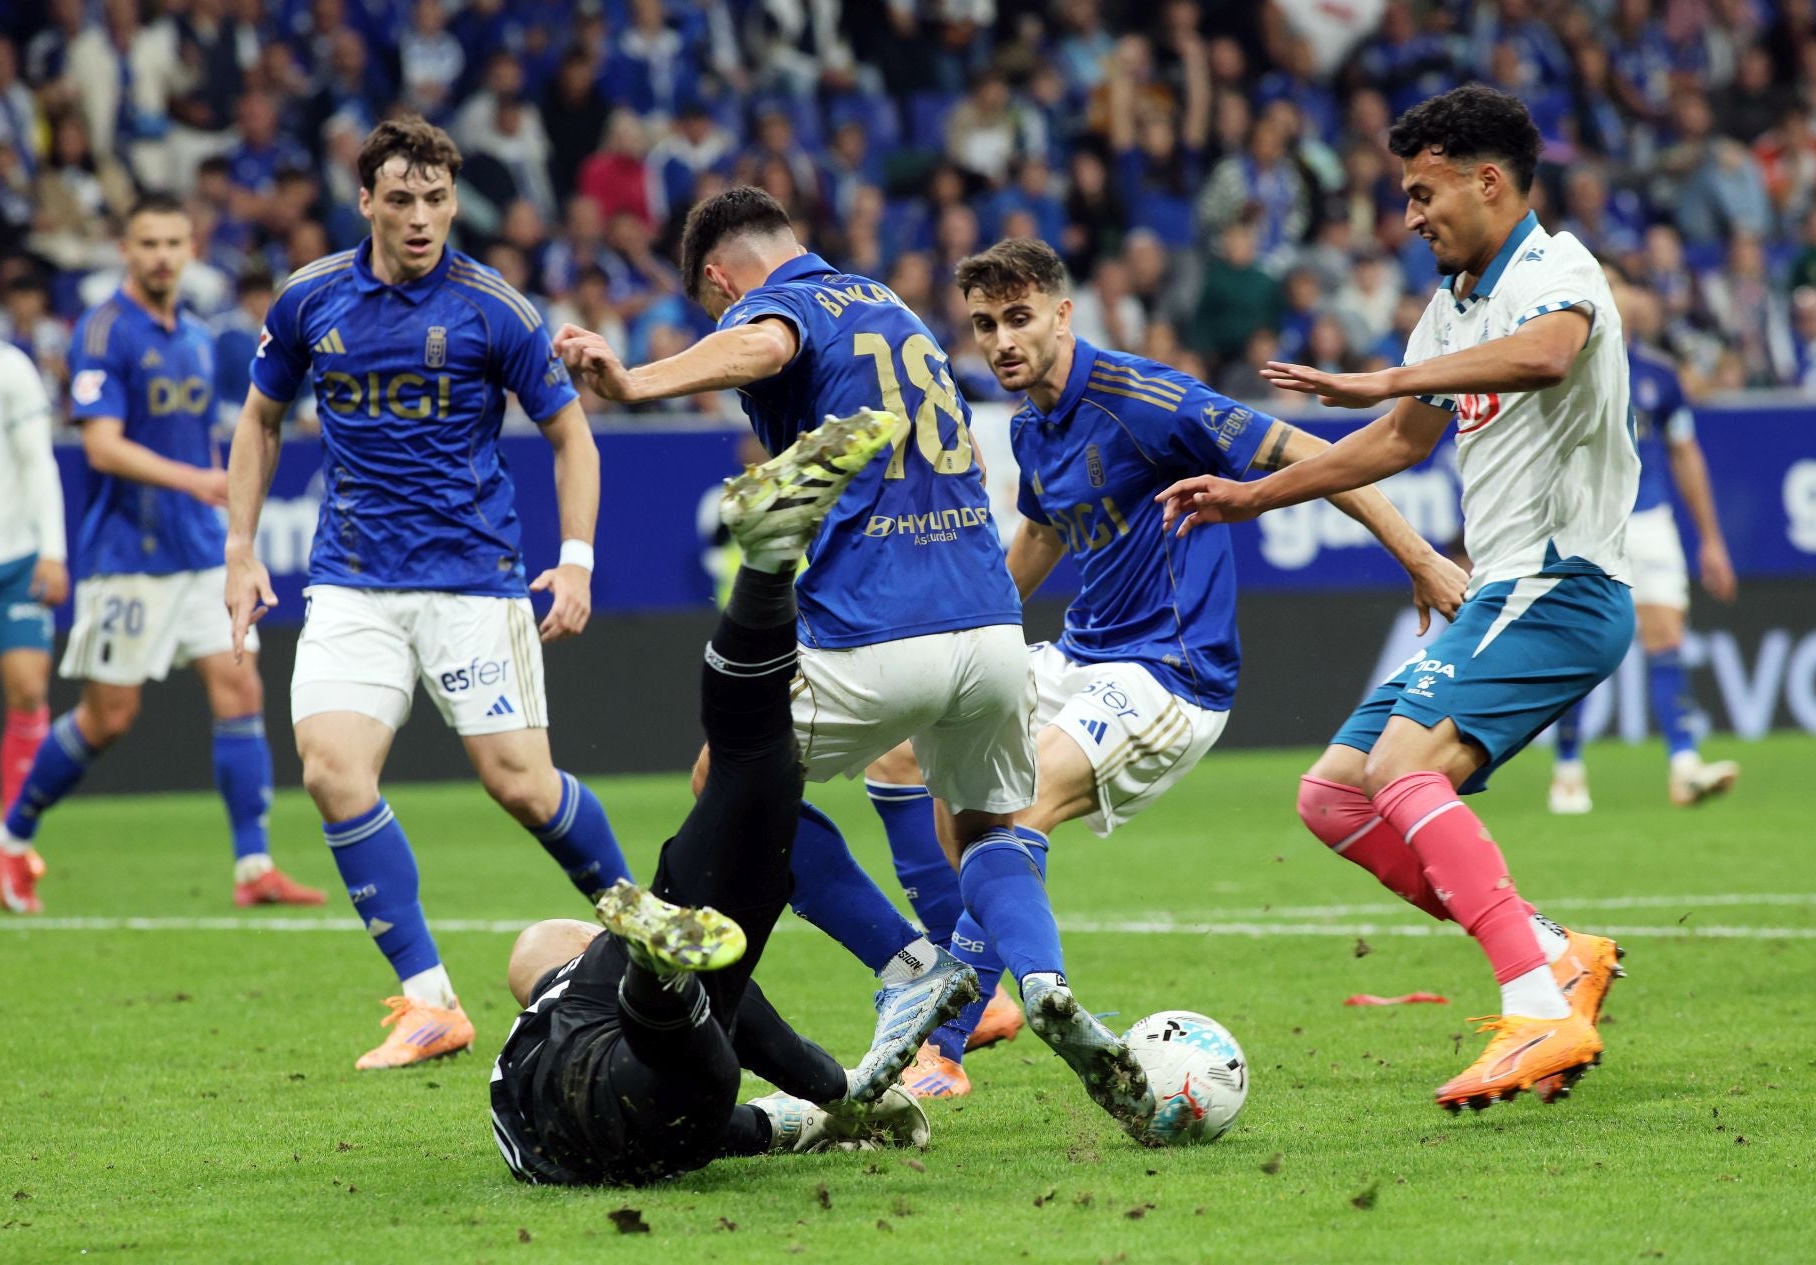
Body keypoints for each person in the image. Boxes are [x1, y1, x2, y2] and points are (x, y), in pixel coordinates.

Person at [553, 187, 1153, 1136]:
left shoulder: (773, 307)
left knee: (734, 783)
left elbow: (764, 346)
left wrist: (634, 382)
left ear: (721, 277)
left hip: (877, 622)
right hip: (992, 625)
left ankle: (904, 963)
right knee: (992, 829)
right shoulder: (885, 299)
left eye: (719, 304)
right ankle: (1040, 985)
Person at [892, 236, 1468, 1098]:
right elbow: (1045, 532)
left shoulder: (1146, 398)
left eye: (1018, 318)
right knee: (922, 760)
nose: (1002, 340)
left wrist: (1418, 557)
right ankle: (979, 988)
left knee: (1015, 806)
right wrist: (976, 632)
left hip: (1169, 670)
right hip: (1083, 651)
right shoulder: (1030, 425)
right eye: (984, 325)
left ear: (1061, 313)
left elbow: (1315, 456)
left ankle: (941, 1044)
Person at [1158, 85, 1635, 1112]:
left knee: (1405, 766)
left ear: (1488, 179)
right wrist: (1255, 493)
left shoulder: (1557, 270)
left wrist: (1386, 377)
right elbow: (1402, 440)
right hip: (1503, 589)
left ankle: (1538, 1007)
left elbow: (1550, 356)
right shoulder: (1451, 307)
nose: (1410, 216)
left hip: (1561, 579)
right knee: (1334, 794)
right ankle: (1553, 951)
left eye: (1423, 193)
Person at [222, 119, 633, 1071]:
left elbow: (573, 437)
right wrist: (239, 550)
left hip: (473, 581)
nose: (420, 218)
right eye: (400, 199)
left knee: (521, 785)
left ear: (455, 199)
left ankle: (646, 927)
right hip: (353, 579)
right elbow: (259, 420)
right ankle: (428, 1000)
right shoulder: (310, 300)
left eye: (437, 199)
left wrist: (575, 557)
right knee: (331, 768)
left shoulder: (497, 308)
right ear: (364, 199)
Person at [492, 410, 933, 1186]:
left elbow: (752, 1096)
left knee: (751, 778)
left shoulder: (581, 987)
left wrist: (829, 1101)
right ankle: (659, 979)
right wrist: (837, 1097)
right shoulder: (566, 985)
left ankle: (662, 981)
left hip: (577, 1123)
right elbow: (756, 1051)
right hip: (565, 1096)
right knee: (752, 775)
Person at [0, 195, 323, 915]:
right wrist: (198, 480)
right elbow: (101, 444)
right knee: (109, 715)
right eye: (149, 242)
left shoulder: (197, 336)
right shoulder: (104, 330)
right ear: (126, 248)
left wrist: (225, 512)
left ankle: (254, 865)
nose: (163, 256)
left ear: (191, 247)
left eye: (175, 242)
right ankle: (12, 837)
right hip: (129, 554)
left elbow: (201, 441)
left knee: (240, 688)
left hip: (199, 550)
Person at [1550, 281, 1739, 813]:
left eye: (1618, 285)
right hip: (1586, 521)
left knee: (1666, 638)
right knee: (1580, 647)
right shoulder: (1562, 366)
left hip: (1650, 518)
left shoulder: (1657, 375)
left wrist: (1711, 541)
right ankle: (1567, 768)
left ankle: (1684, 766)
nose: (1613, 293)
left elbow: (1685, 452)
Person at [0, 339, 65, 905]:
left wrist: (53, 551)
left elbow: (38, 460)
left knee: (28, 691)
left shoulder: (9, 366)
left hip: (14, 559)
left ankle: (13, 852)